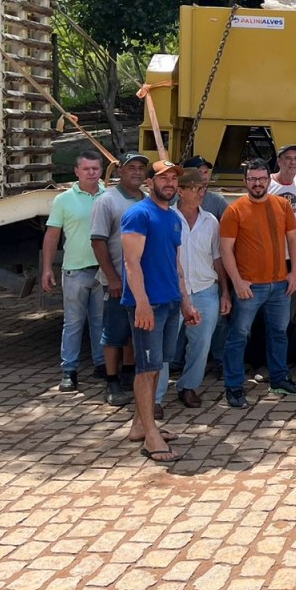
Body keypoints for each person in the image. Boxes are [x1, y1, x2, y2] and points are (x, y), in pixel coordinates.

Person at [120, 160, 199, 464]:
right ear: (150, 182)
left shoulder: (173, 218)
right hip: (147, 305)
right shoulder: (138, 214)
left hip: (169, 303)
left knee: (157, 366)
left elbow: (176, 266)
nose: (169, 183)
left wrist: (186, 303)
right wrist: (140, 302)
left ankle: (140, 426)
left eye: (173, 179)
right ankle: (151, 436)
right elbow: (131, 263)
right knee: (147, 368)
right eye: (163, 178)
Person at [220, 158, 296, 407]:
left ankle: (279, 378)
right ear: (245, 181)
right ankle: (234, 386)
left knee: (279, 333)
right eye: (252, 179)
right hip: (249, 287)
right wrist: (237, 282)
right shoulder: (234, 210)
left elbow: (293, 240)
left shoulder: (282, 205)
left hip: (280, 284)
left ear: (269, 179)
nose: (257, 183)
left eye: (262, 178)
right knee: (239, 335)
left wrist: (295, 272)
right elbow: (225, 250)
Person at [42, 149, 107, 392]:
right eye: (86, 169)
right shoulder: (64, 200)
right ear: (77, 171)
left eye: (95, 168)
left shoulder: (108, 197)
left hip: (103, 271)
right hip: (75, 271)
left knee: (101, 321)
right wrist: (47, 267)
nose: (91, 173)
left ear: (101, 171)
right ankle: (69, 370)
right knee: (73, 323)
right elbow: (52, 235)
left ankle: (102, 365)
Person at [91, 151, 147, 407]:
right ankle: (111, 382)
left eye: (140, 168)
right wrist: (112, 277)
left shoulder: (146, 199)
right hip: (117, 281)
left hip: (142, 281)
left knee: (135, 332)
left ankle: (128, 373)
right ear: (120, 171)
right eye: (131, 167)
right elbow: (98, 241)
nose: (136, 172)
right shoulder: (107, 201)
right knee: (114, 332)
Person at [170, 169, 230, 408]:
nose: (199, 193)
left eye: (202, 188)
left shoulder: (211, 221)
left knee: (201, 343)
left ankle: (189, 386)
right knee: (165, 346)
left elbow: (218, 258)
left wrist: (225, 290)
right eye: (194, 188)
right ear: (180, 191)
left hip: (205, 289)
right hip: (174, 291)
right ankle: (154, 396)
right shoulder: (168, 218)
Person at [183, 155, 228, 220]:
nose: (204, 177)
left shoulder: (217, 202)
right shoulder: (173, 200)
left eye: (205, 172)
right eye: (199, 172)